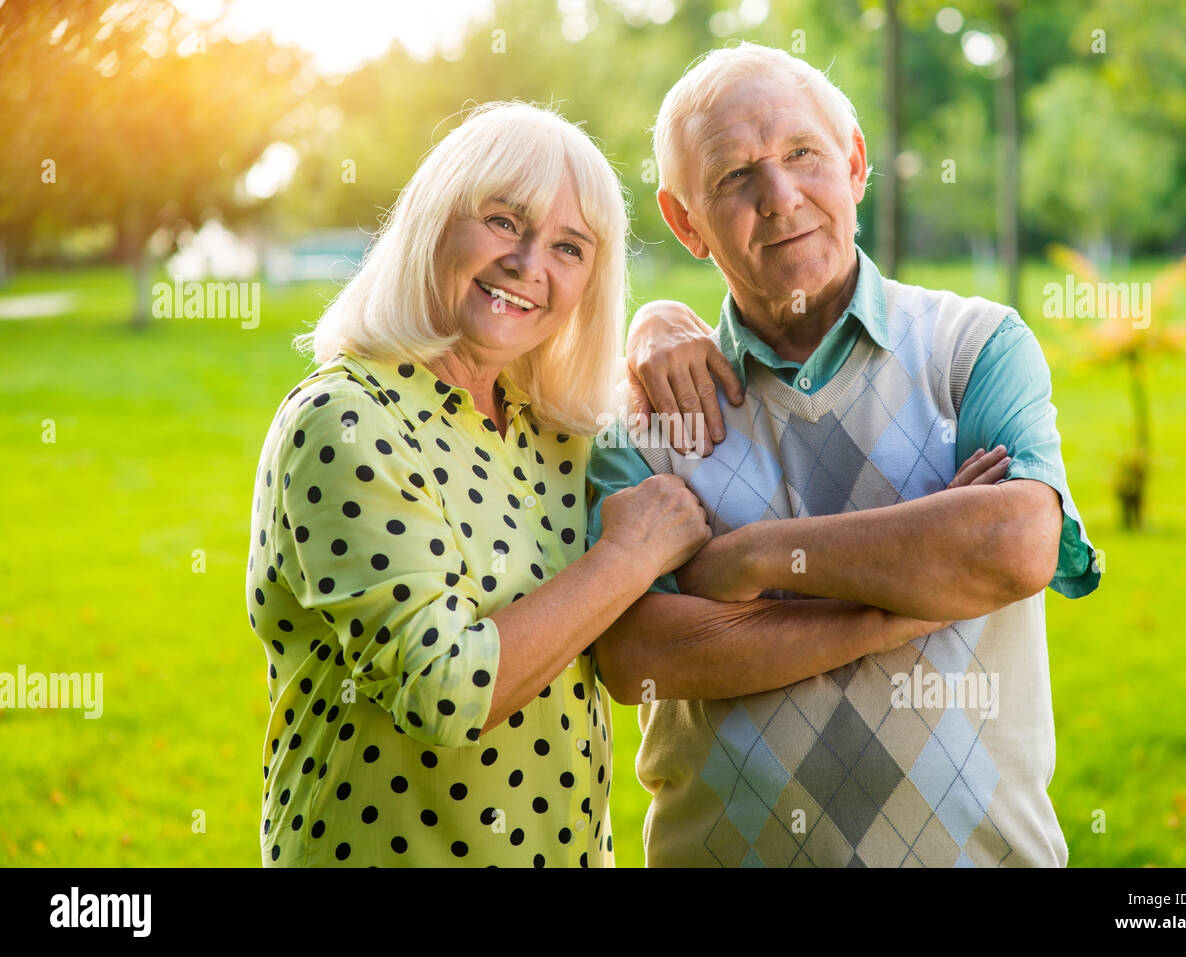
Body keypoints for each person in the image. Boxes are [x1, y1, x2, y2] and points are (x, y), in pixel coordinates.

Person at [586, 43, 1101, 867]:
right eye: (733, 177)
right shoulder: (644, 407)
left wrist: (752, 558)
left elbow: (1013, 545)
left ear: (855, 163)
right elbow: (640, 654)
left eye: (803, 154)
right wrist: (908, 604)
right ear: (685, 222)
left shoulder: (975, 346)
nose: (781, 197)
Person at [244, 101, 722, 867]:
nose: (530, 263)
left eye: (569, 247)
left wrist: (657, 320)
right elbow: (444, 689)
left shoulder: (556, 429)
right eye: (505, 220)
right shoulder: (344, 420)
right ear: (437, 221)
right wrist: (625, 559)